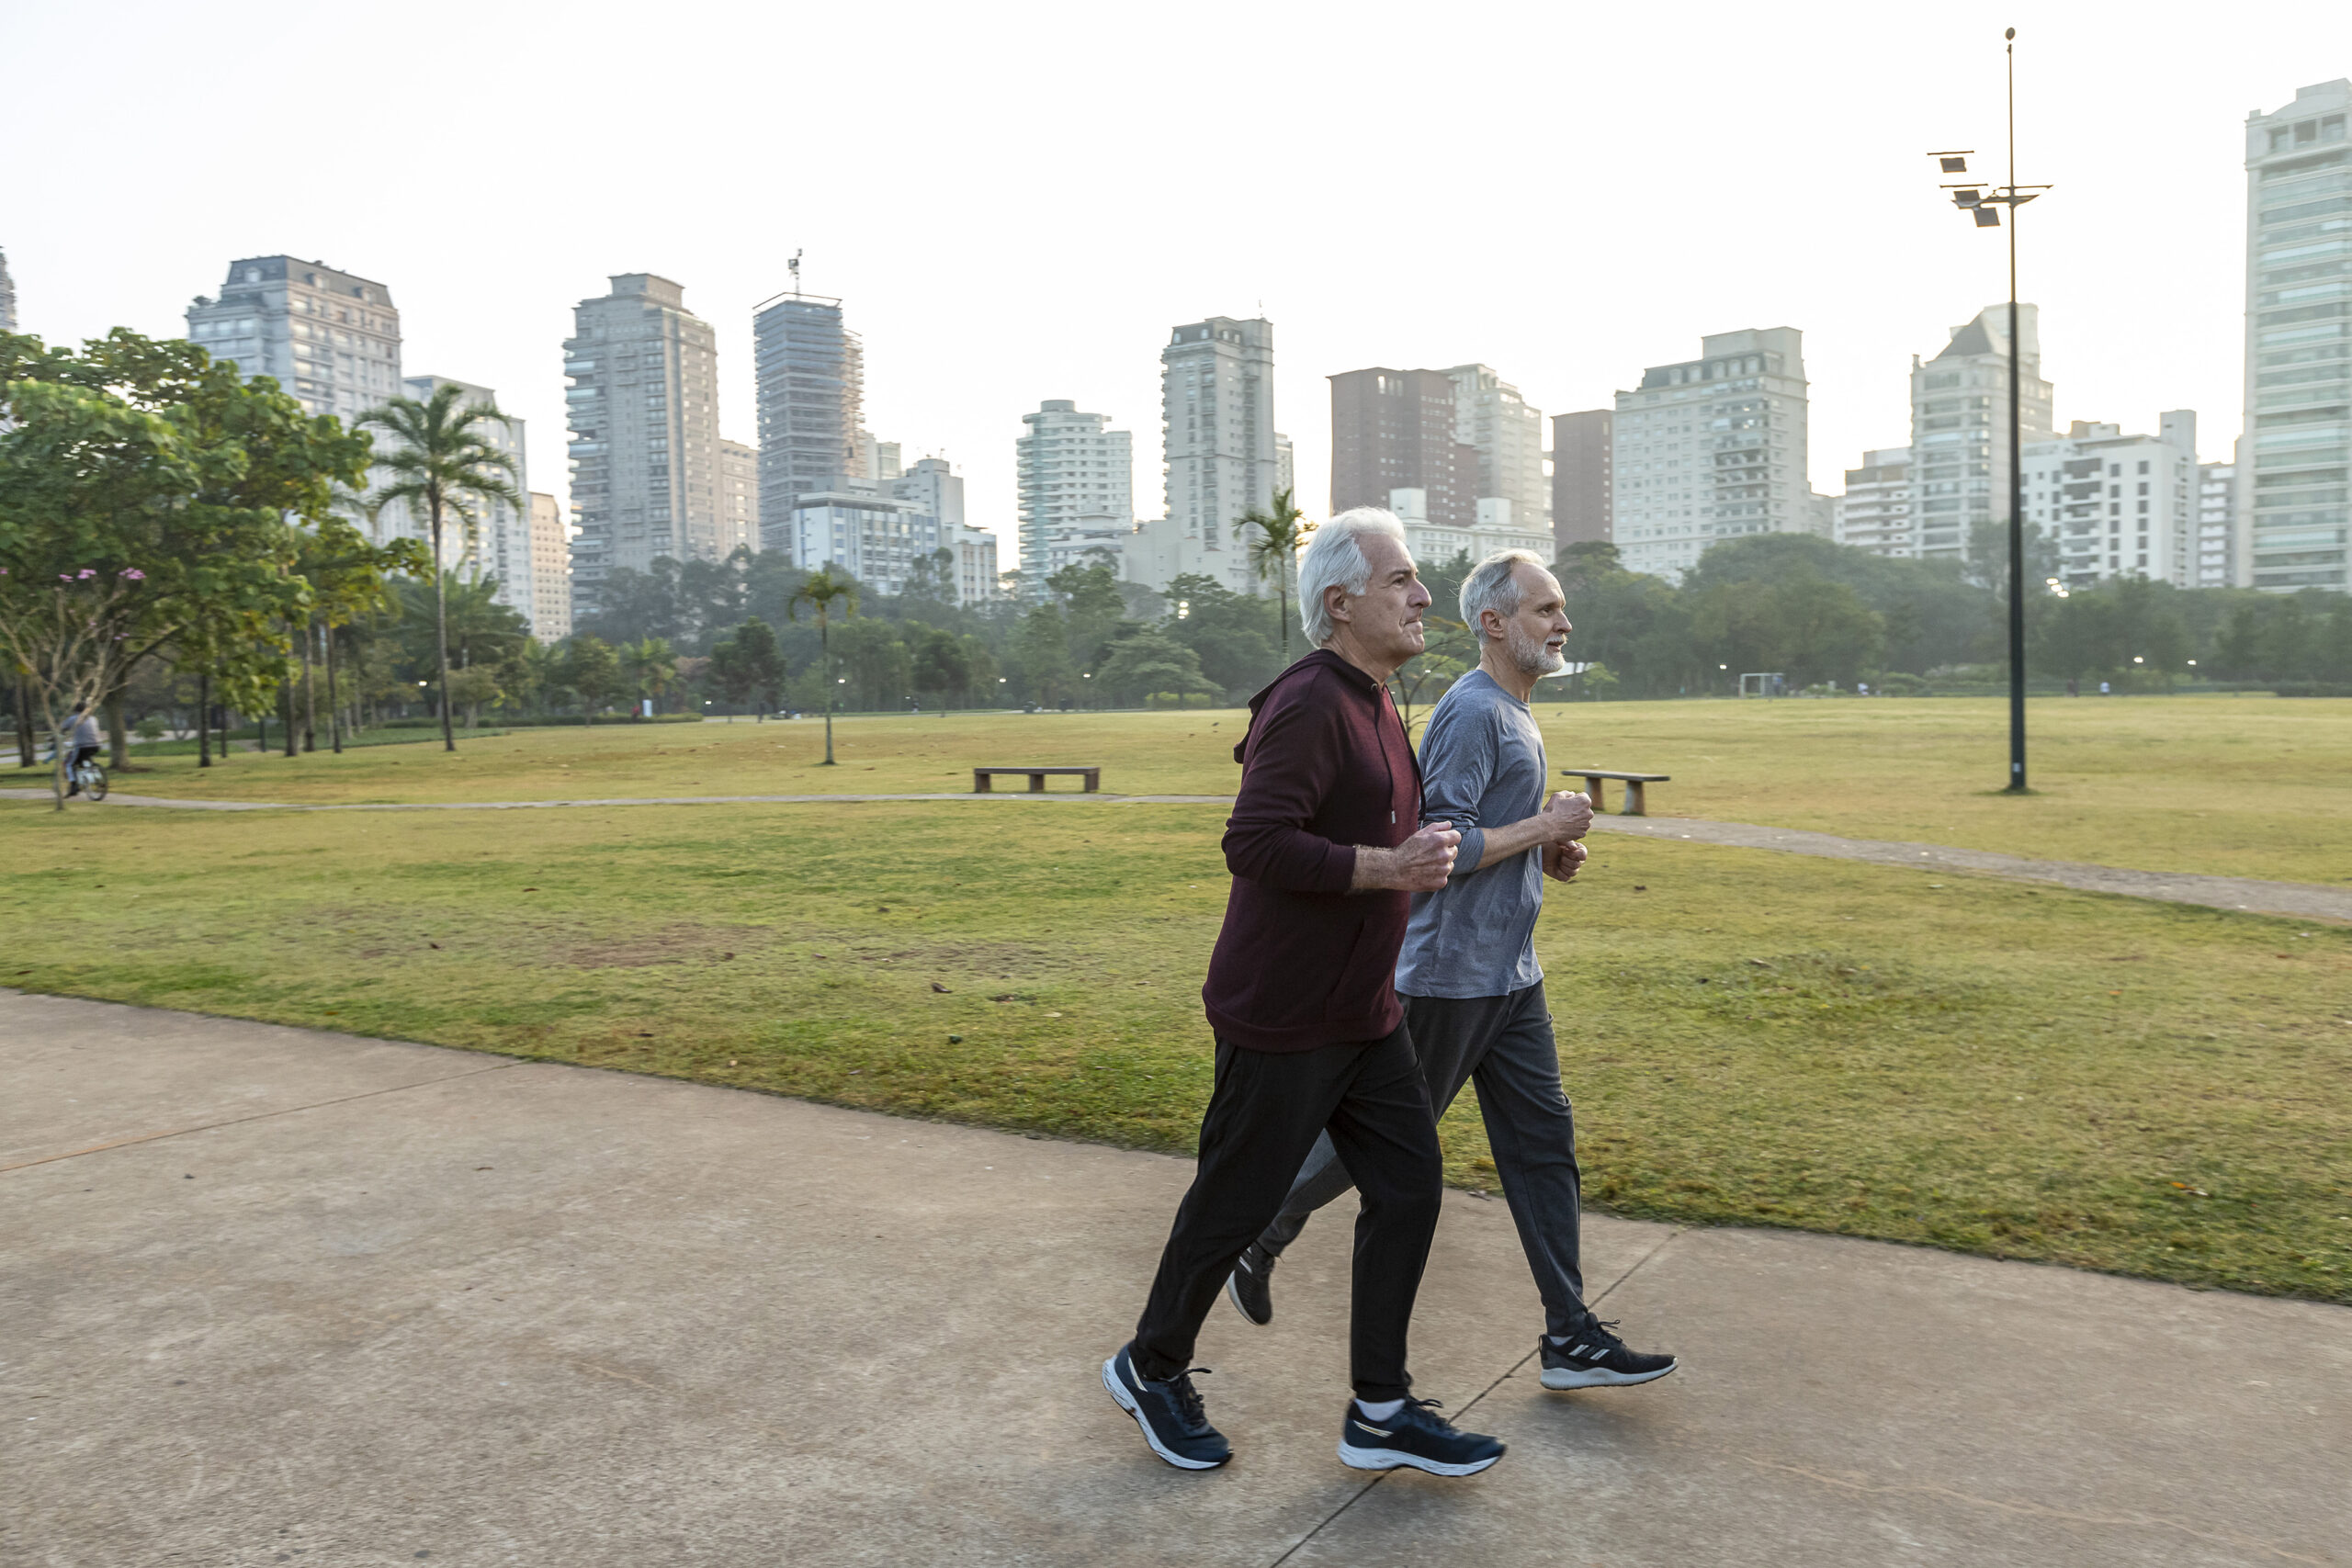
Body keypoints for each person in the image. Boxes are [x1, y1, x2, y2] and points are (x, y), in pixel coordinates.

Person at [1102, 509, 1507, 1478]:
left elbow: (1406, 836)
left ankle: (1379, 1408)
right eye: (1400, 580)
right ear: (1339, 603)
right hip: (1282, 1014)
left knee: (1409, 1188)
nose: (1421, 596)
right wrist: (1387, 866)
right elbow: (1254, 841)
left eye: (1417, 581)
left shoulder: (1377, 699)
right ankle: (1150, 1365)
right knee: (1234, 1204)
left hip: (1364, 1015)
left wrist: (1486, 847)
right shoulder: (1310, 701)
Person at [1225, 550, 1678, 1393]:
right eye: (1545, 610)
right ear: (1494, 623)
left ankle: (1570, 1332)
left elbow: (1490, 839)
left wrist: (1546, 848)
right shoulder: (1474, 712)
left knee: (1543, 1144)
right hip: (1448, 976)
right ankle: (1259, 1226)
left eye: (1561, 610)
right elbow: (1440, 844)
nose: (1562, 624)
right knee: (1374, 1149)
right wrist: (1544, 823)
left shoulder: (1514, 709)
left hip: (1511, 975)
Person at [62, 702, 101, 796]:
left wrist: (60, 733)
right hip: (96, 745)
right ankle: (97, 776)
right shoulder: (94, 718)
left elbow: (62, 728)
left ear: (76, 711)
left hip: (82, 746)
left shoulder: (73, 718)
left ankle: (74, 786)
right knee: (86, 760)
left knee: (70, 764)